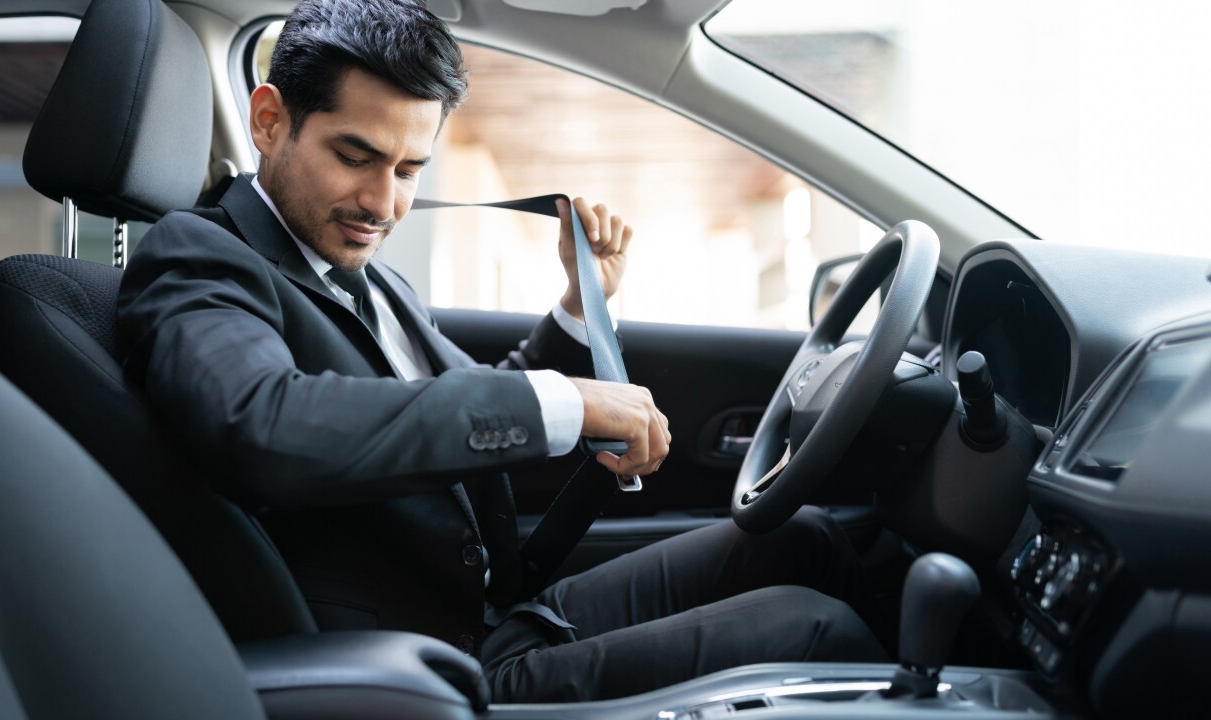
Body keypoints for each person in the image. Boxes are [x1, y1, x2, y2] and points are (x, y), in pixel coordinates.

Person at [117, 0, 885, 703]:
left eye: (410, 170)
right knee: (813, 627)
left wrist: (578, 312)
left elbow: (472, 397)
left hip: (496, 611)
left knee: (804, 537)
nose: (385, 205)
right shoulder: (199, 257)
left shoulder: (364, 278)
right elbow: (261, 422)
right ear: (268, 120)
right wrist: (565, 401)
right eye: (356, 156)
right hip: (426, 672)